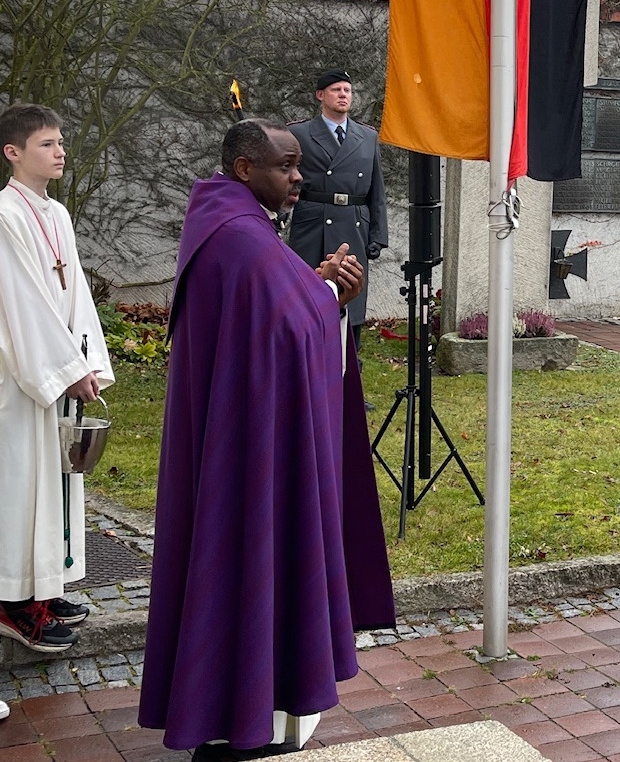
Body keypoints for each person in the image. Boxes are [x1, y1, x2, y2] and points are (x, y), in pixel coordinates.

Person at [139, 119, 395, 760]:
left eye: (299, 165)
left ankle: (235, 710)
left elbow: (271, 308)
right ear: (247, 168)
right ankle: (239, 722)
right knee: (248, 556)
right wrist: (331, 290)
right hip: (248, 448)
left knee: (232, 556)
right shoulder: (242, 238)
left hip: (234, 430)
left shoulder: (229, 223)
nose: (298, 177)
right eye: (286, 166)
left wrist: (312, 282)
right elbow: (286, 323)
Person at [0, 103, 114, 655]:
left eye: (61, 142)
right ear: (13, 153)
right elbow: (21, 303)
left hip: (58, 369)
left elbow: (75, 298)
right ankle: (14, 600)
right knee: (22, 487)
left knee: (57, 483)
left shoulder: (57, 215)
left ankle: (45, 585)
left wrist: (87, 361)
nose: (60, 151)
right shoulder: (6, 215)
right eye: (47, 144)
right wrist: (64, 369)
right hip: (21, 378)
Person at [287, 68, 388, 362]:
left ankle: (349, 385)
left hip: (353, 224)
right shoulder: (298, 133)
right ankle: (308, 372)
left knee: (351, 302)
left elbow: (376, 190)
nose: (343, 95)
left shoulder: (367, 137)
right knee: (309, 299)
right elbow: (286, 180)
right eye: (336, 90)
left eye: (347, 90)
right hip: (312, 225)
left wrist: (377, 235)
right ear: (320, 96)